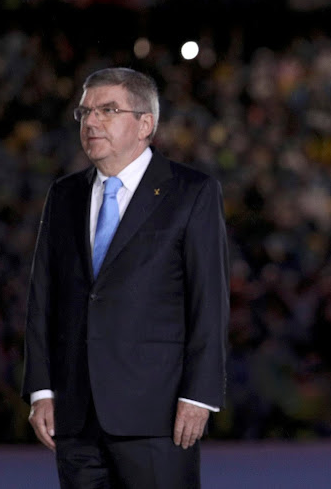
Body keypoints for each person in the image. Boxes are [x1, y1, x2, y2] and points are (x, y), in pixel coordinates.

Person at [21, 67, 229, 489]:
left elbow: (209, 302)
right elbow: (43, 298)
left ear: (145, 124)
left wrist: (199, 395)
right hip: (76, 417)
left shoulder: (191, 192)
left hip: (159, 416)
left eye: (107, 110)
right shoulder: (64, 195)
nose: (91, 121)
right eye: (84, 112)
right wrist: (42, 390)